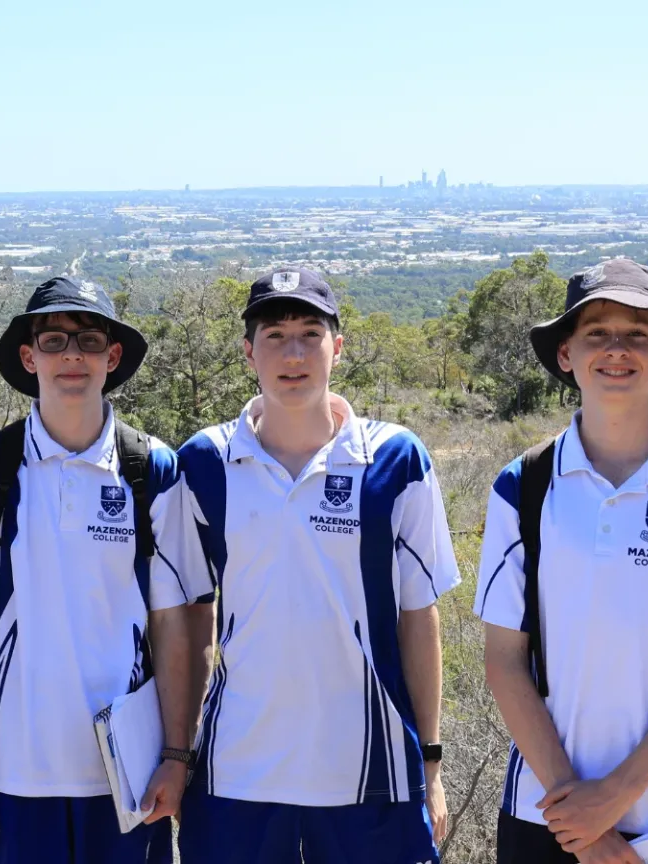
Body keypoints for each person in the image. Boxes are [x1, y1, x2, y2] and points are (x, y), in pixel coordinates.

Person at [474, 259, 648, 864]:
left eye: (637, 335)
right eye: (596, 334)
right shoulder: (523, 485)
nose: (616, 351)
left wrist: (614, 799)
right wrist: (582, 818)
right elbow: (504, 661)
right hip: (544, 812)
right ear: (565, 355)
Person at [173, 268, 459, 864]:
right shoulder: (204, 461)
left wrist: (429, 763)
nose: (294, 352)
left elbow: (418, 617)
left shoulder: (395, 458)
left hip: (372, 772)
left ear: (338, 346)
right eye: (275, 336)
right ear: (248, 351)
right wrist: (178, 754)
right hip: (237, 771)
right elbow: (190, 617)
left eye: (310, 332)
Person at [0, 276, 210, 862]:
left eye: (88, 340)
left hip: (125, 776)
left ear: (112, 357)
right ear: (28, 357)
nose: (72, 355)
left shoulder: (153, 469)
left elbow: (173, 627)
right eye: (54, 340)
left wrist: (176, 756)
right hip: (9, 770)